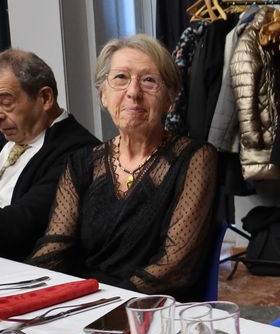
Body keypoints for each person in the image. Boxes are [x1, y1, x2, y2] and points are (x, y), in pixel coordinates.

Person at [29, 34, 217, 301]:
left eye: (149, 80)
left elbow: (174, 266)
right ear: (103, 95)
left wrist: (104, 304)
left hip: (151, 308)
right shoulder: (81, 163)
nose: (133, 92)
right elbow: (55, 246)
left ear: (169, 100)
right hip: (85, 300)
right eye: (120, 78)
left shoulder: (195, 158)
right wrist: (25, 290)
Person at [0, 50, 98, 261]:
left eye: (6, 103)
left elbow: (21, 225)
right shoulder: (11, 138)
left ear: (45, 98)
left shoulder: (80, 152)